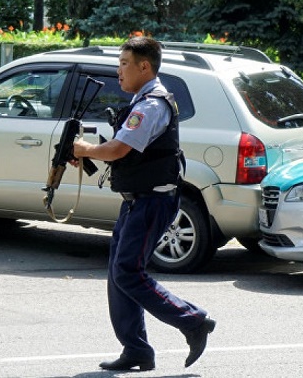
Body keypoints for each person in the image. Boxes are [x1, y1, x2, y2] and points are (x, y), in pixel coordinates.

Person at [72, 36, 215, 371]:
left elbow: (120, 149)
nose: (118, 71)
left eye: (124, 64)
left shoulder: (151, 105)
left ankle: (192, 320)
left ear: (144, 66)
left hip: (154, 200)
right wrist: (91, 153)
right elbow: (127, 152)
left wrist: (86, 150)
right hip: (138, 200)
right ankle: (136, 349)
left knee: (128, 271)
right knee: (118, 272)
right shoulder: (142, 100)